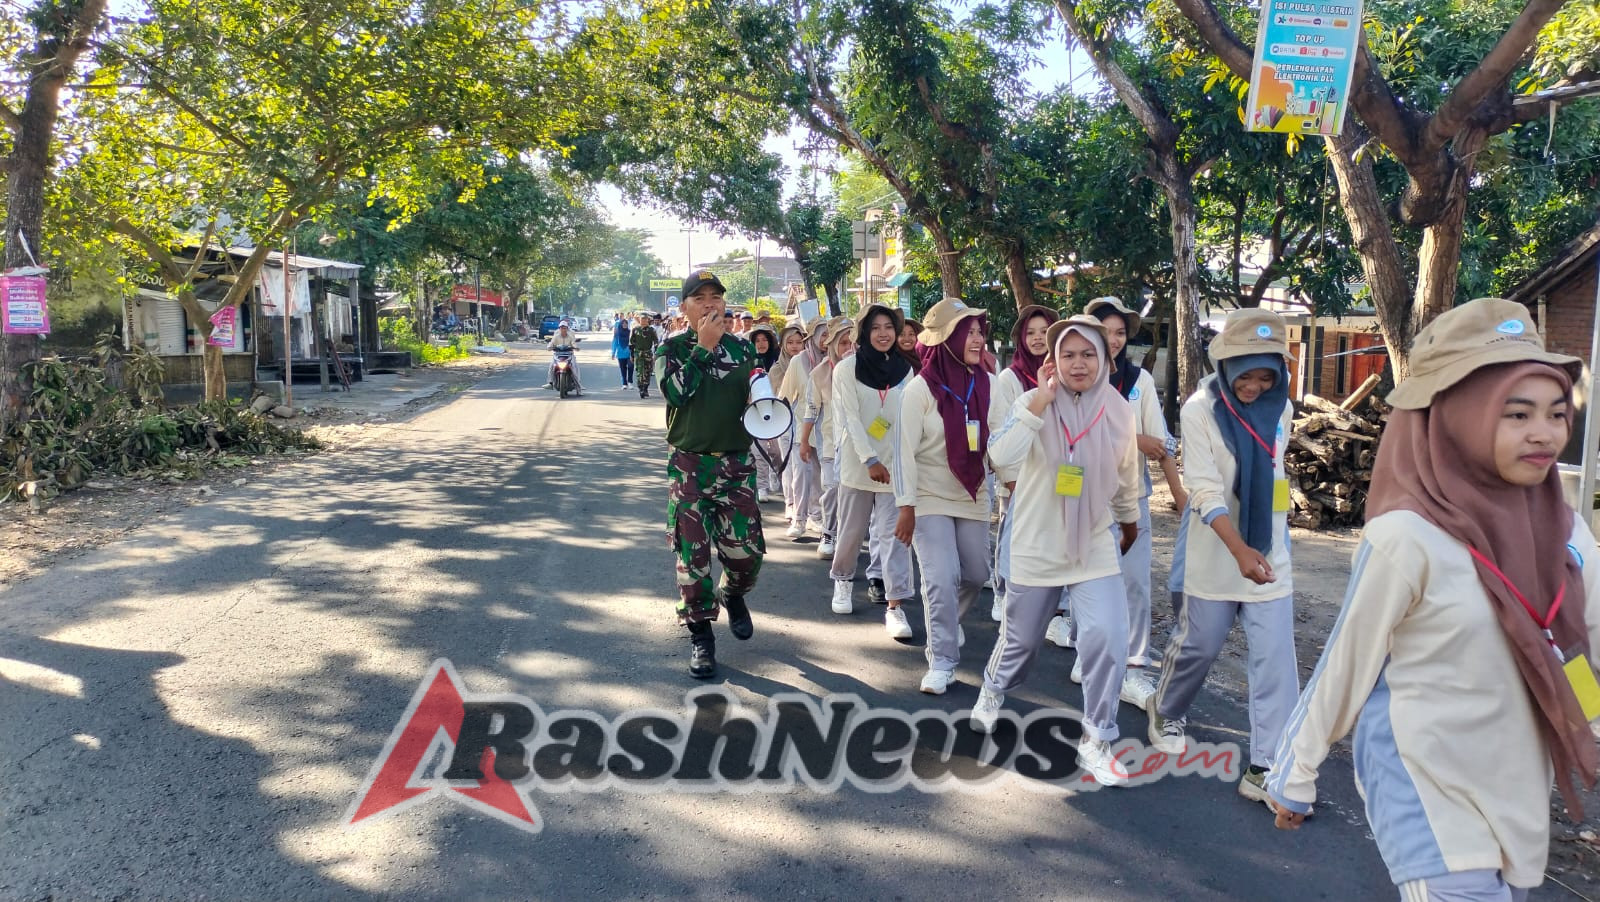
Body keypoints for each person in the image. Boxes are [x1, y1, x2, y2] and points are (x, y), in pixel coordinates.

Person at [1266, 298, 1600, 901]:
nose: (1543, 432)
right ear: (1458, 416)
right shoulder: (1409, 536)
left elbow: (1576, 650)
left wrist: (1592, 723)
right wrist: (1296, 769)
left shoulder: (1570, 533)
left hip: (1519, 788)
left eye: (1555, 412)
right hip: (1422, 783)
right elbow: (1349, 663)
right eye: (1516, 413)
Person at [972, 316, 1141, 786]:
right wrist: (1041, 402)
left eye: (1088, 354)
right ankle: (993, 688)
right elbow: (1000, 458)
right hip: (1036, 541)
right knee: (1021, 642)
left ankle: (1097, 739)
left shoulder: (1119, 410)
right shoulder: (1033, 401)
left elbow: (1126, 476)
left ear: (1105, 358)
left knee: (1107, 636)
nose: (1078, 363)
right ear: (1053, 360)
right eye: (1068, 354)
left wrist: (1129, 524)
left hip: (1092, 540)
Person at [1149, 308, 1299, 805]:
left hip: (1270, 551)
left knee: (1276, 659)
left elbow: (1274, 472)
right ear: (1227, 366)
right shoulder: (1199, 410)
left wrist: (1268, 538)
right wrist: (1238, 548)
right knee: (1200, 646)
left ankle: (1269, 764)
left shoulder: (1282, 407)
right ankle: (1166, 707)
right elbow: (1205, 489)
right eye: (1245, 375)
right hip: (1218, 551)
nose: (1254, 386)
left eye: (1265, 376)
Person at [1046, 298, 1189, 708]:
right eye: (1105, 331)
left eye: (1121, 332)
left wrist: (1178, 494)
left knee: (1135, 584)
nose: (1113, 339)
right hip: (1079, 498)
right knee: (1084, 578)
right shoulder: (1068, 384)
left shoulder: (1138, 382)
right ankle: (1087, 650)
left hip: (1131, 497)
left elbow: (1158, 444)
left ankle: (1134, 667)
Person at [656, 270, 766, 679]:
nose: (709, 303)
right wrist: (703, 348)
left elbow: (760, 401)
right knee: (693, 556)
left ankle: (734, 594)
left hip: (736, 464)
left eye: (715, 296)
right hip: (690, 465)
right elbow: (675, 395)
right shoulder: (672, 349)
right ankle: (701, 634)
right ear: (684, 308)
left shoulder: (743, 350)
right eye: (698, 297)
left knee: (746, 554)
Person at [893, 299, 1003, 694]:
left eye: (978, 331)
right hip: (927, 496)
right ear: (949, 338)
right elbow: (902, 452)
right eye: (968, 331)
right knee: (940, 578)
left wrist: (1012, 478)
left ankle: (946, 622)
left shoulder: (987, 381)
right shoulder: (919, 389)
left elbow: (998, 438)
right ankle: (941, 659)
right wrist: (905, 506)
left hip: (972, 493)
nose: (977, 338)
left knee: (975, 573)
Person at [829, 303, 916, 638]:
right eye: (876, 327)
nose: (883, 334)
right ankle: (843, 581)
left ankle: (895, 606)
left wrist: (903, 462)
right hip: (858, 466)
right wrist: (869, 460)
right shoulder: (846, 369)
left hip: (893, 468)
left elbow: (907, 420)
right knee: (851, 531)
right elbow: (850, 419)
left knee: (894, 539)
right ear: (864, 332)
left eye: (889, 328)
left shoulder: (904, 371)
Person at [991, 305, 1059, 623]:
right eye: (1030, 333)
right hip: (1017, 478)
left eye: (1044, 332)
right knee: (1012, 536)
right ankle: (1002, 592)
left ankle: (1051, 609)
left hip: (1053, 482)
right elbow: (1002, 430)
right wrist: (1011, 481)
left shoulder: (1064, 377)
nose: (1036, 339)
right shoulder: (1010, 378)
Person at [802, 318, 856, 560]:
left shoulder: (867, 368)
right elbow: (811, 409)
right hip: (829, 442)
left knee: (852, 492)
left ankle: (849, 536)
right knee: (832, 487)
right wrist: (804, 440)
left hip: (860, 444)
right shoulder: (820, 373)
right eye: (843, 343)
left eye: (852, 342)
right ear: (831, 344)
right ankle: (828, 532)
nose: (848, 348)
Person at [780, 318, 828, 540]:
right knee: (801, 475)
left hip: (827, 429)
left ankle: (816, 516)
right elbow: (786, 396)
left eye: (830, 335)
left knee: (820, 476)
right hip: (801, 426)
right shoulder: (799, 361)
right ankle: (798, 518)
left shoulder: (834, 361)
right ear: (813, 337)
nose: (826, 340)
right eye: (823, 335)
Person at [747, 323, 783, 503]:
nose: (761, 344)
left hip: (777, 411)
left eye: (764, 340)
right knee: (758, 450)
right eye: (757, 340)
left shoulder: (779, 361)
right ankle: (762, 486)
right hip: (754, 411)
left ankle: (778, 474)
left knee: (777, 450)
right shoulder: (747, 361)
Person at [546, 322, 583, 395]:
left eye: (564, 328)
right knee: (551, 367)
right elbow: (551, 343)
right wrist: (549, 347)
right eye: (561, 328)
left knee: (575, 369)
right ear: (559, 329)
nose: (563, 329)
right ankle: (550, 383)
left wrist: (576, 347)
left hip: (569, 355)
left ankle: (579, 389)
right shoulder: (556, 336)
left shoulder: (570, 336)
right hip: (558, 355)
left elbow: (573, 343)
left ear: (567, 329)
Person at [629, 313, 658, 398]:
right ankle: (641, 388)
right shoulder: (635, 330)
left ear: (647, 321)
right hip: (638, 353)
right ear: (640, 320)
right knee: (639, 371)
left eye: (645, 320)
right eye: (642, 320)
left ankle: (645, 388)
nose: (643, 321)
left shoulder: (651, 330)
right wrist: (631, 354)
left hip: (648, 353)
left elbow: (656, 341)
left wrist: (656, 352)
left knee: (648, 371)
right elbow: (631, 343)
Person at [611, 317, 634, 388]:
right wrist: (613, 353)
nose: (625, 325)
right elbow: (614, 343)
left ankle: (630, 382)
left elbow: (633, 342)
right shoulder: (617, 334)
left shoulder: (630, 332)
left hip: (629, 353)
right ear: (621, 324)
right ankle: (624, 383)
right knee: (623, 369)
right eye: (623, 324)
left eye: (626, 323)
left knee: (630, 366)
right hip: (620, 353)